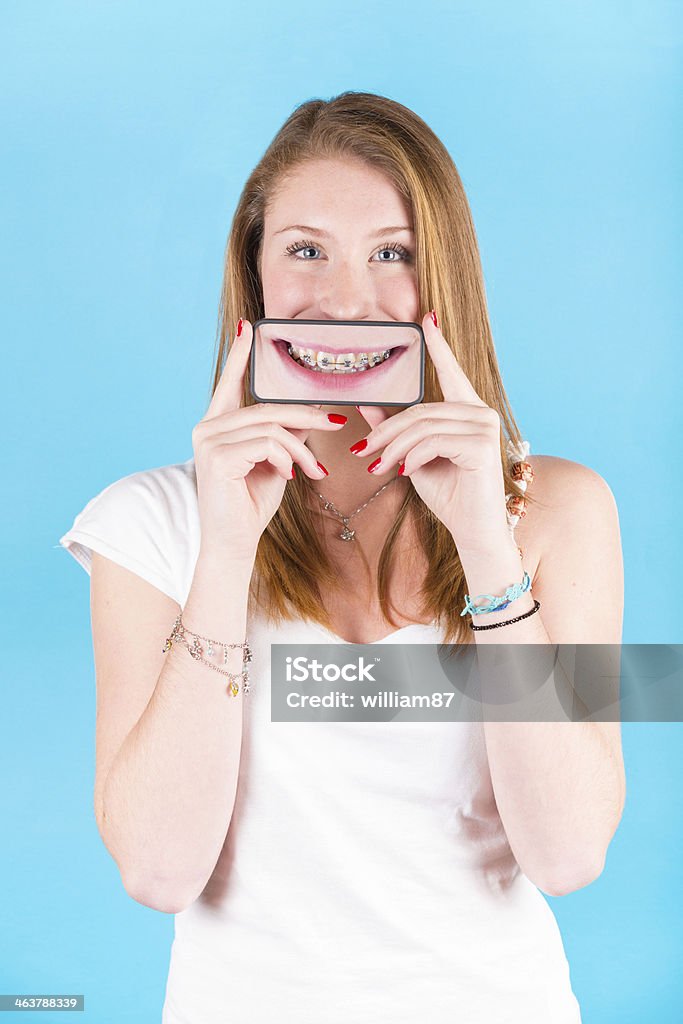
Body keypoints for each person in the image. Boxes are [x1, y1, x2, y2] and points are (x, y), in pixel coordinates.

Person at [58, 91, 625, 1023]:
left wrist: (486, 545)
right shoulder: (149, 523)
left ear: (441, 277)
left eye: (391, 253)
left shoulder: (560, 509)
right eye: (306, 250)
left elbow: (567, 856)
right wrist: (225, 548)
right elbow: (160, 870)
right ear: (256, 275)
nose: (346, 300)